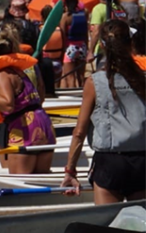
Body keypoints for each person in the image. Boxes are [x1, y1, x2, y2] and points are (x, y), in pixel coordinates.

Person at [62, 19, 145, 204]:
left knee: (107, 226)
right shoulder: (143, 79)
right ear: (130, 43)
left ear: (102, 46)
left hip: (110, 162)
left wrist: (70, 170)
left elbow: (79, 131)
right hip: (141, 160)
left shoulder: (95, 82)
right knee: (140, 226)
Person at [0, 26, 56, 174]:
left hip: (24, 127)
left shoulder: (2, 75)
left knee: (19, 180)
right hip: (43, 123)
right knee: (40, 178)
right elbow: (41, 95)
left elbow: (8, 105)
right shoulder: (22, 70)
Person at [60, 0, 88, 88]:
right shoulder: (84, 14)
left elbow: (62, 35)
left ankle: (73, 98)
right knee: (81, 76)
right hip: (82, 47)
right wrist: (87, 48)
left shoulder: (65, 17)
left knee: (70, 77)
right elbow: (86, 33)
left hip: (70, 48)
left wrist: (63, 49)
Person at [39, 5, 64, 82]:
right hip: (57, 61)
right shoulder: (59, 29)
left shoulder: (40, 29)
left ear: (42, 17)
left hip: (45, 62)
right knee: (56, 84)